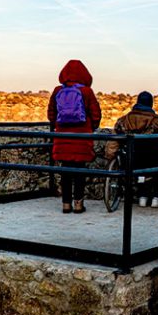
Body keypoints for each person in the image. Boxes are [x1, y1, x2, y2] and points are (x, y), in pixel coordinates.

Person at [105, 91, 158, 208]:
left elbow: (113, 143)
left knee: (135, 162)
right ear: (151, 104)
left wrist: (110, 157)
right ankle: (156, 197)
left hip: (131, 158)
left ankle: (142, 196)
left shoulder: (123, 121)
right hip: (153, 159)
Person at [47, 60, 102, 214]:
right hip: (82, 137)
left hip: (62, 137)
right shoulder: (86, 92)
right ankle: (78, 204)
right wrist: (92, 127)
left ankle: (66, 204)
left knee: (65, 172)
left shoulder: (58, 90)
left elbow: (51, 113)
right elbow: (95, 113)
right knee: (79, 172)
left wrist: (58, 126)